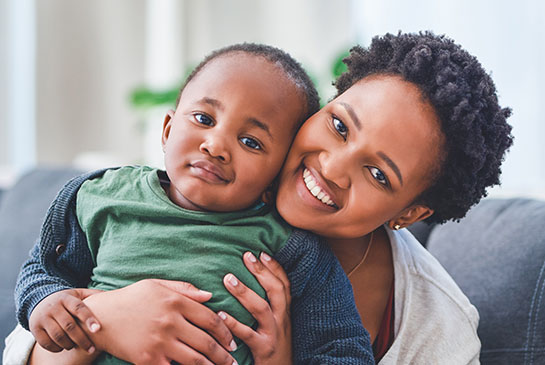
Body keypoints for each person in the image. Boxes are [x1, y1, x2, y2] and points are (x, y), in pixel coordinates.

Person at [5, 31, 513, 364]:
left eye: (378, 174)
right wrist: (107, 319)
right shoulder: (147, 194)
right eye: (339, 125)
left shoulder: (439, 328)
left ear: (411, 213)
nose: (331, 168)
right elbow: (27, 334)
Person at [11, 43, 374, 365]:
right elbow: (42, 271)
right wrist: (46, 302)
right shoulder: (101, 196)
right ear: (167, 130)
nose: (215, 146)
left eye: (251, 142)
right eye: (203, 119)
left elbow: (343, 351)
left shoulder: (291, 249)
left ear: (274, 178)